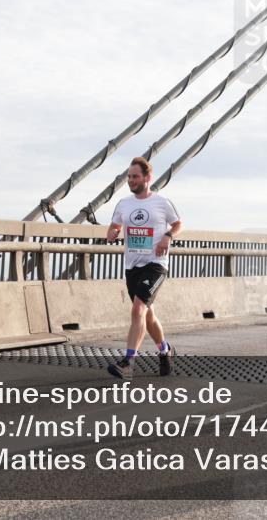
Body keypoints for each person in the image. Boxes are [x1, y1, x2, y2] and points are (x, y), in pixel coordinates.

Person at [106, 158, 182, 380]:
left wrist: (167, 236)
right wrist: (112, 233)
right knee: (147, 316)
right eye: (129, 177)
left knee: (138, 310)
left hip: (156, 265)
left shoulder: (162, 202)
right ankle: (165, 350)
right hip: (132, 266)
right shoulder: (123, 204)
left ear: (147, 178)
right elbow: (114, 226)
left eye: (135, 176)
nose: (131, 180)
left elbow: (179, 224)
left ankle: (128, 363)